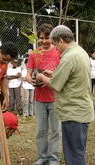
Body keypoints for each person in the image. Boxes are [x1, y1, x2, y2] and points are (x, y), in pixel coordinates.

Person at [36, 25, 94, 165]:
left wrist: (42, 77)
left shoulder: (69, 56)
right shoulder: (80, 52)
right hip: (82, 110)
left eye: (55, 44)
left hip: (73, 113)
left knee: (74, 155)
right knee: (78, 150)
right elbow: (70, 76)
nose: (55, 48)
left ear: (61, 41)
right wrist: (53, 73)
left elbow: (55, 84)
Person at [26, 24, 61, 165]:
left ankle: (54, 158)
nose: (44, 41)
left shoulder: (59, 53)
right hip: (39, 98)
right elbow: (28, 73)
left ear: (52, 38)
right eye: (41, 38)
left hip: (55, 98)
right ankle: (42, 157)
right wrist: (29, 78)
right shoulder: (34, 54)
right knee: (41, 130)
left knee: (56, 130)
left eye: (47, 38)